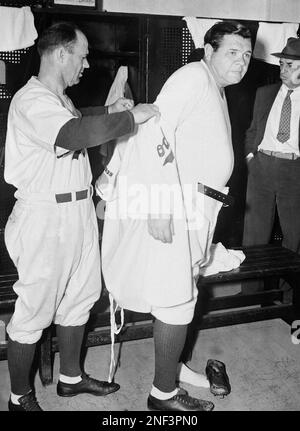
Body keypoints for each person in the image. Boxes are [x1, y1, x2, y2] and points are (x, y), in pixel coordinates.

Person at [97, 21, 252, 411]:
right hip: (177, 203)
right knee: (176, 299)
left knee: (184, 292)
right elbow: (151, 131)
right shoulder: (192, 78)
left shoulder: (212, 84)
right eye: (232, 52)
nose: (242, 61)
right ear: (209, 50)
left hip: (198, 205)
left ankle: (173, 367)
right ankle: (162, 395)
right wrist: (159, 204)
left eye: (247, 54)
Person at [4, 21, 158, 412]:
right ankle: (19, 396)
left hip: (78, 210)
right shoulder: (31, 100)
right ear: (60, 54)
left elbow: (78, 118)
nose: (86, 64)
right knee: (35, 308)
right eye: (82, 54)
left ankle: (70, 378)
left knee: (81, 297)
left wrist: (108, 110)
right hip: (45, 216)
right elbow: (72, 135)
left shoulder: (59, 98)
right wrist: (130, 117)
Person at [243, 38, 300, 256]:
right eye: (281, 65)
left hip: (294, 170)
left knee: (294, 237)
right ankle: (250, 289)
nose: (283, 71)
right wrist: (251, 158)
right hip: (262, 167)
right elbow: (252, 130)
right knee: (253, 236)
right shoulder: (265, 93)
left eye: (290, 65)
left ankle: (289, 291)